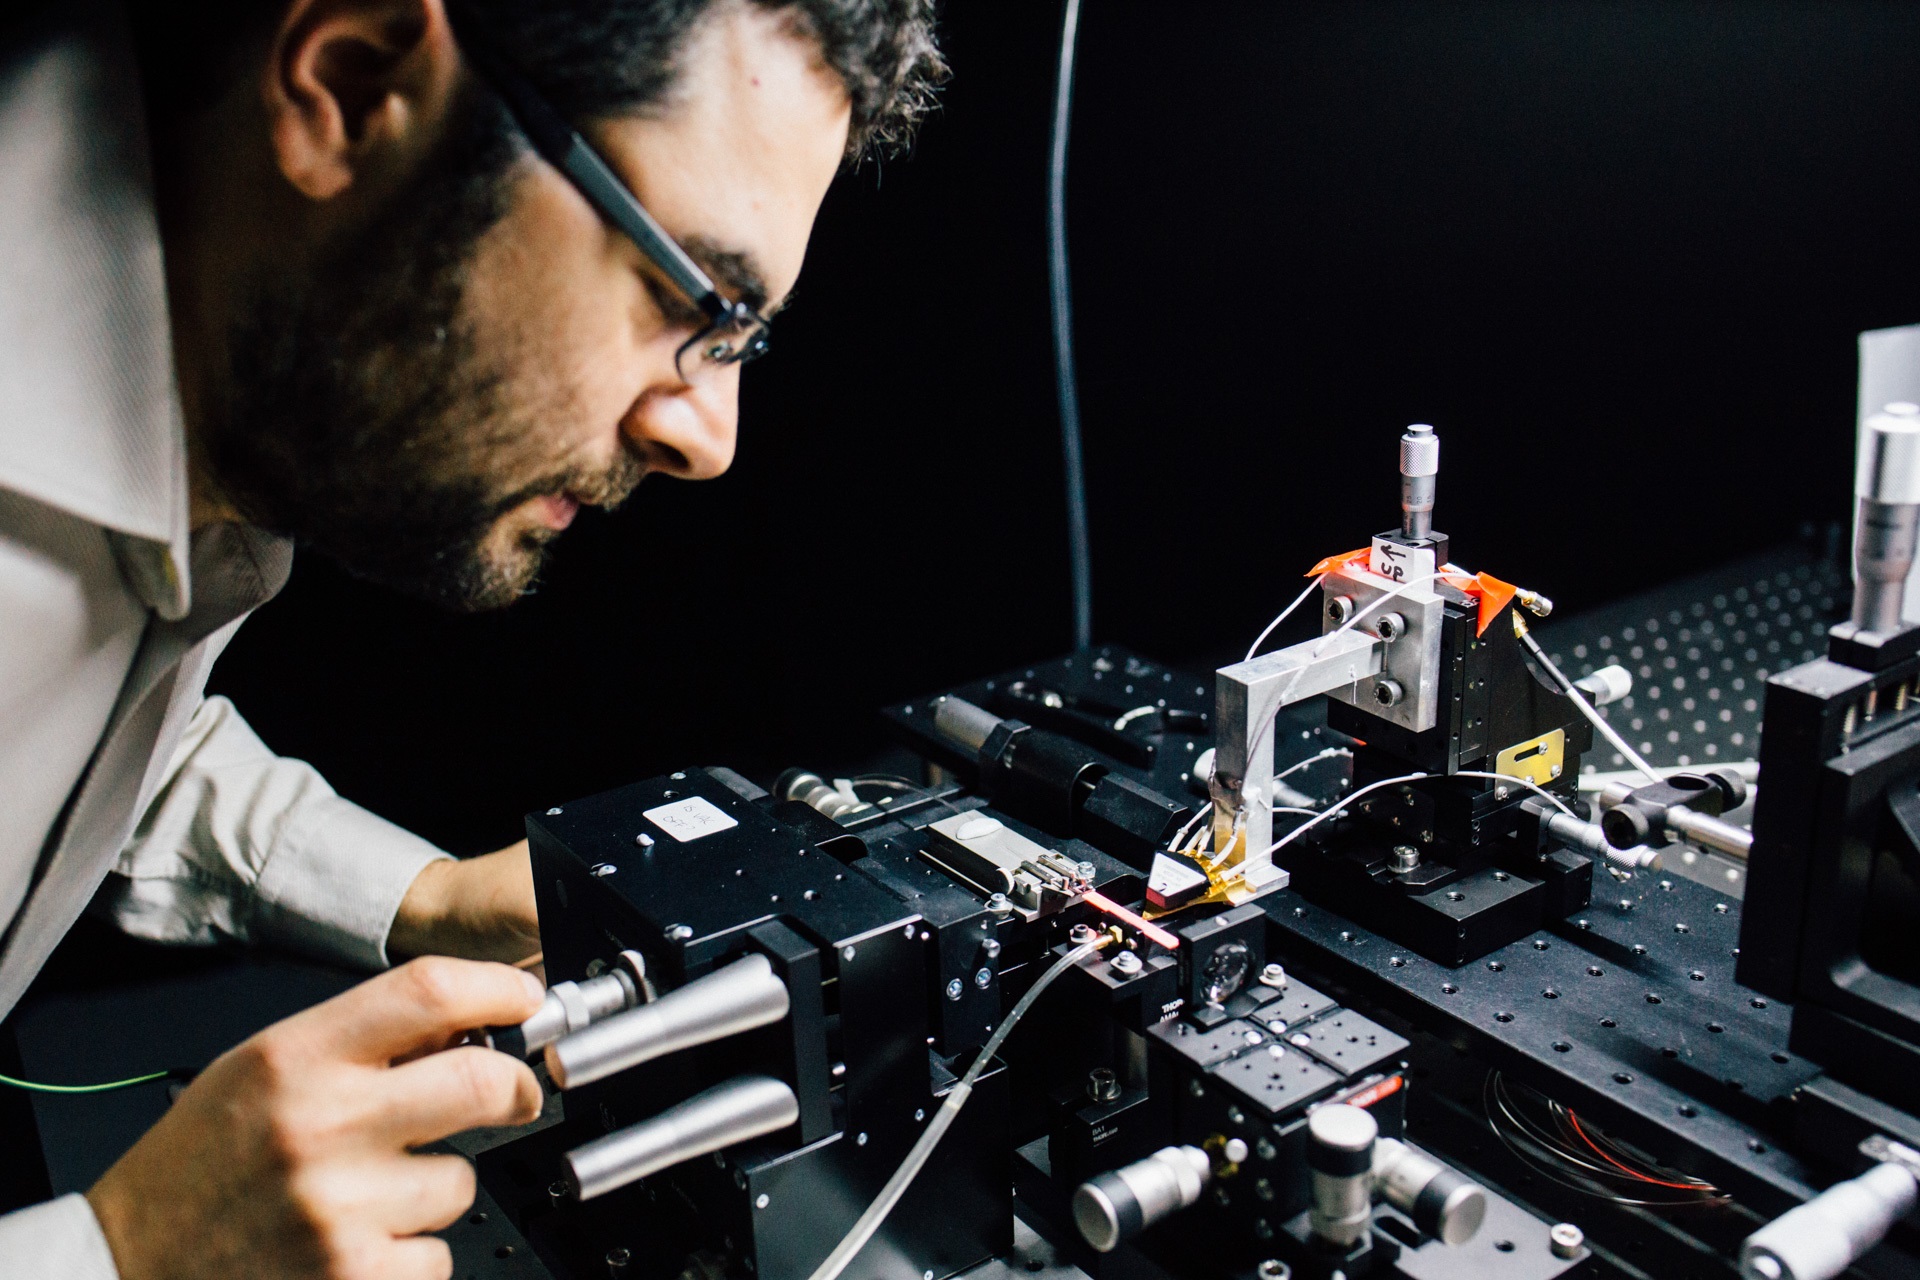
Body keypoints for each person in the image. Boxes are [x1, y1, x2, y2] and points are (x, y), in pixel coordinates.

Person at [0, 0, 942, 1274]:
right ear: (353, 84)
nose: (708, 438)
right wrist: (120, 1251)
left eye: (744, 339)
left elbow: (76, 733)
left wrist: (424, 900)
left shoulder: (202, 418)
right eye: (694, 299)